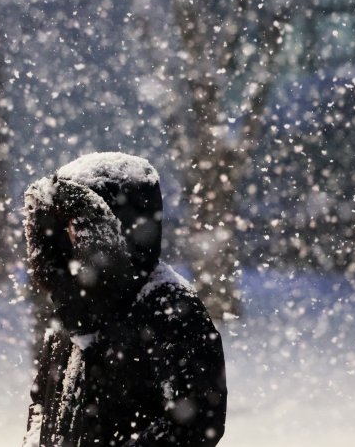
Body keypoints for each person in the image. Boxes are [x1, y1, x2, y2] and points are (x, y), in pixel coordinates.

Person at [21, 152, 226, 447]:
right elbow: (42, 407)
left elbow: (195, 421)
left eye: (79, 224)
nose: (70, 236)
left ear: (117, 228)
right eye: (63, 226)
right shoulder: (71, 305)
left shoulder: (168, 306)